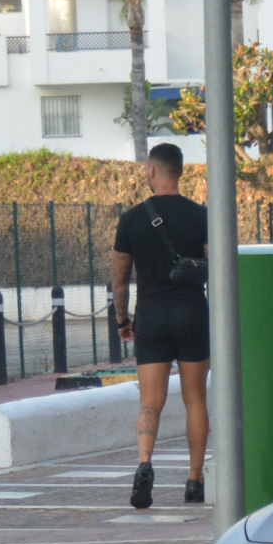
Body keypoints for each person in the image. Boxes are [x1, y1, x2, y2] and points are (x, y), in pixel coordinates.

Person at [109, 141, 210, 509]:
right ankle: (194, 480)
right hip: (192, 313)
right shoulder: (201, 216)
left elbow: (119, 280)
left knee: (150, 402)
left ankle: (145, 465)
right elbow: (216, 268)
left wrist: (123, 320)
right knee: (195, 398)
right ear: (180, 171)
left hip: (150, 315)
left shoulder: (132, 219)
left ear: (152, 170)